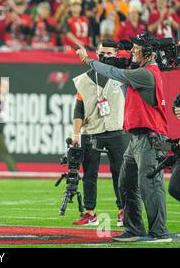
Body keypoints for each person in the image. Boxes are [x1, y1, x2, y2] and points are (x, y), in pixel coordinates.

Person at [76, 32, 172, 243]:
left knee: (150, 185)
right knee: (126, 183)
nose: (132, 52)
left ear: (147, 52)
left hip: (150, 137)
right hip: (137, 137)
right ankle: (134, 229)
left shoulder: (146, 74)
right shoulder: (142, 70)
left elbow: (112, 71)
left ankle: (159, 232)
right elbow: (117, 65)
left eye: (137, 48)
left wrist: (87, 59)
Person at [71, 42, 125, 227]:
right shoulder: (84, 79)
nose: (104, 57)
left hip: (115, 129)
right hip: (91, 129)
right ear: (96, 53)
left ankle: (123, 210)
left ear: (116, 54)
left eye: (109, 53)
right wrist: (75, 134)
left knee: (120, 172)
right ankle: (89, 212)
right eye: (101, 53)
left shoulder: (123, 75)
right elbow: (79, 109)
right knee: (89, 173)